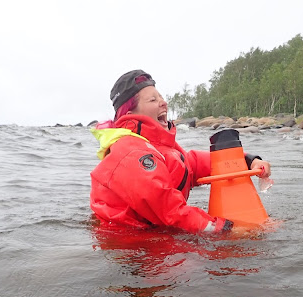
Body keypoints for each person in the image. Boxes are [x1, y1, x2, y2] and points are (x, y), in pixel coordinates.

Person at [89, 69, 271, 233]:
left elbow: (192, 163)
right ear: (130, 115)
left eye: (161, 97)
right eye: (153, 100)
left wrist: (248, 161)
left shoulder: (160, 147)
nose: (163, 103)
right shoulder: (131, 151)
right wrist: (226, 230)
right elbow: (169, 209)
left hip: (155, 233)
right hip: (129, 243)